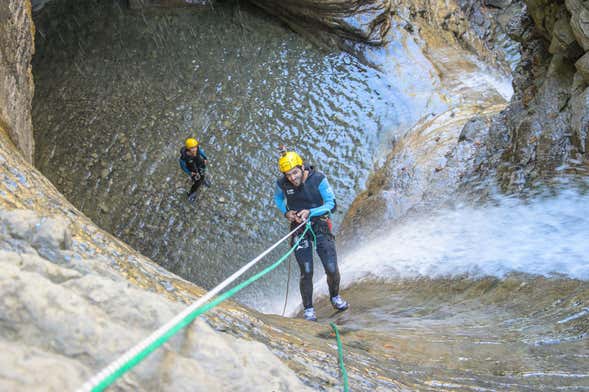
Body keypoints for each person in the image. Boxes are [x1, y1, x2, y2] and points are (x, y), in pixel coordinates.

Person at [274, 150, 348, 321]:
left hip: (320, 224)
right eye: (288, 175)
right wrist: (286, 212)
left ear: (301, 167)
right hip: (299, 227)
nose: (292, 178)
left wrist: (311, 211)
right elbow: (278, 199)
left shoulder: (318, 179)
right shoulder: (282, 183)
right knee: (306, 271)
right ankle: (308, 309)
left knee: (331, 268)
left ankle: (335, 297)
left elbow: (332, 204)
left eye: (295, 172)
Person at [179, 137, 209, 202]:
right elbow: (183, 167)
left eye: (195, 147)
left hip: (200, 165)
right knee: (197, 182)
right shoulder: (184, 157)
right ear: (188, 148)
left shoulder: (197, 150)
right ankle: (192, 193)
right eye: (192, 148)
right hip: (193, 170)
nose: (194, 149)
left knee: (203, 174)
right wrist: (190, 173)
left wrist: (205, 158)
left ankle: (203, 180)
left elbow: (201, 152)